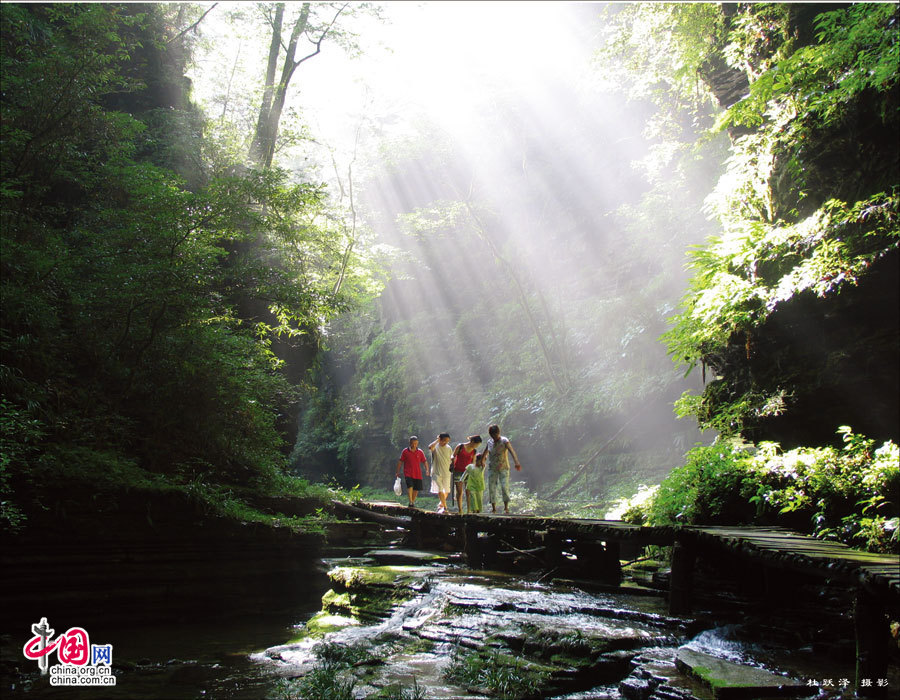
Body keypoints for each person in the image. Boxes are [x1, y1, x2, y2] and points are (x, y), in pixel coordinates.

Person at [485, 424, 522, 514]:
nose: (494, 437)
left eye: (495, 435)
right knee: (492, 487)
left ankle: (506, 508)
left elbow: (512, 451)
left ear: (498, 433)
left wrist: (516, 462)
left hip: (503, 467)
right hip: (492, 468)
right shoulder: (489, 442)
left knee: (504, 486)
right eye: (492, 435)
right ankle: (494, 508)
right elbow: (485, 452)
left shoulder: (504, 441)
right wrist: (482, 461)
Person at [450, 435, 482, 515]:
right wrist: (452, 459)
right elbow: (453, 455)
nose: (476, 446)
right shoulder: (460, 446)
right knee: (459, 491)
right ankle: (460, 510)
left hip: (468, 472)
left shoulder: (474, 451)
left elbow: (473, 462)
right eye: (476, 444)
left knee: (469, 491)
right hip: (458, 471)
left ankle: (469, 510)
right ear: (472, 442)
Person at [396, 436, 429, 508]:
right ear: (410, 443)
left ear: (417, 443)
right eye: (412, 443)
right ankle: (410, 501)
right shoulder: (405, 451)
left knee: (416, 489)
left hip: (417, 473)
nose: (414, 445)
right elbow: (400, 461)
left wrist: (427, 470)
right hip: (408, 472)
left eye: (415, 443)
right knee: (410, 486)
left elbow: (425, 461)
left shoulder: (420, 452)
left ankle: (412, 503)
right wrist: (397, 471)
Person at [428, 433, 453, 513]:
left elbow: (451, 458)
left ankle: (441, 504)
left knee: (447, 491)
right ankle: (445, 507)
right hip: (435, 472)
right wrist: (437, 440)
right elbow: (430, 447)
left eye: (447, 441)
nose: (445, 442)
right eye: (444, 441)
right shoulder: (435, 446)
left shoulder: (449, 448)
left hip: (446, 472)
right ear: (440, 439)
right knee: (440, 489)